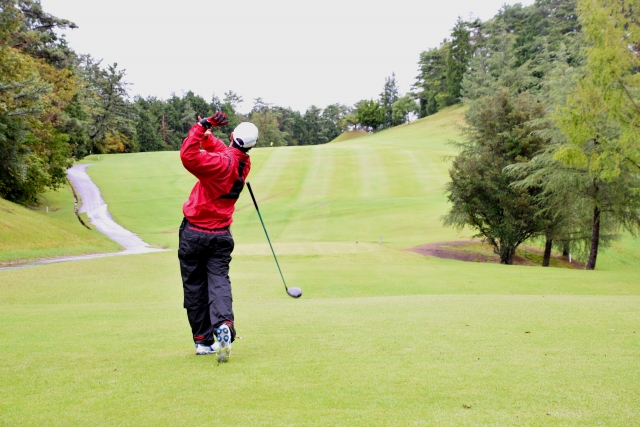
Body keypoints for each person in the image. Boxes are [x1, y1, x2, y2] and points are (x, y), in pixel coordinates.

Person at [178, 111, 259, 362]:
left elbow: (188, 156)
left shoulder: (221, 163)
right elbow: (226, 151)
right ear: (251, 146)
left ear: (232, 136)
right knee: (219, 282)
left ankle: (203, 341)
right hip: (221, 235)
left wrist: (201, 126)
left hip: (194, 232)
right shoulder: (243, 163)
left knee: (195, 286)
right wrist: (206, 135)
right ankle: (224, 325)